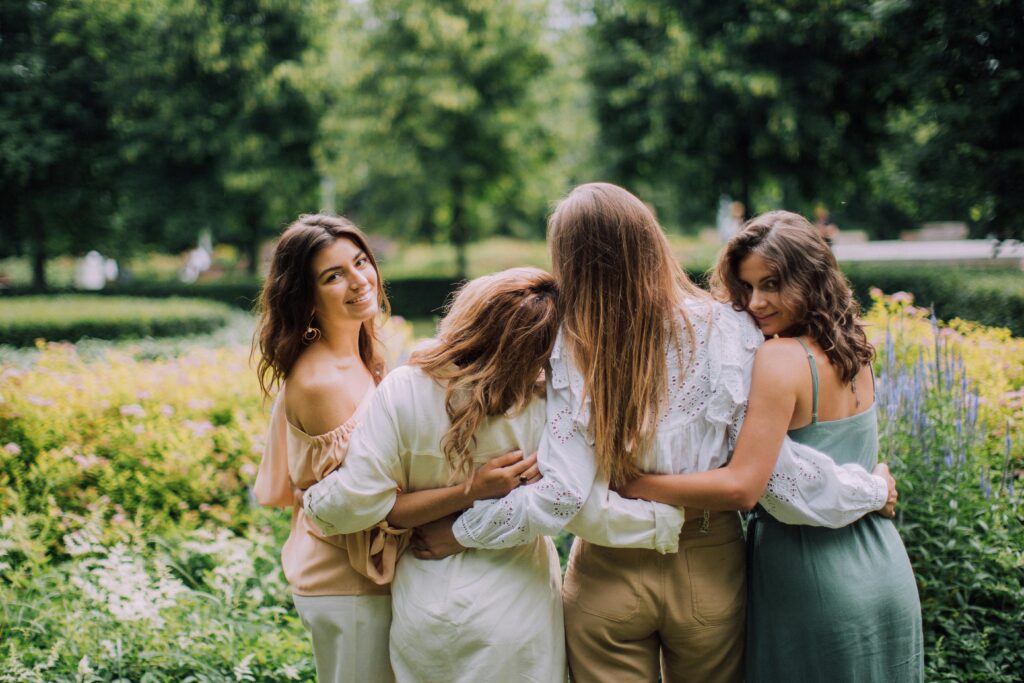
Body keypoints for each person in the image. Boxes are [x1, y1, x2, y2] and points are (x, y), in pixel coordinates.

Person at [410, 183, 896, 683]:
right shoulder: (734, 332)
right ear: (652, 241)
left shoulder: (570, 348)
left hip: (607, 573)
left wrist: (461, 532)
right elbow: (774, 474)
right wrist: (870, 488)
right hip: (708, 566)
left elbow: (560, 496)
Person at [617, 210, 924, 682]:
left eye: (774, 284)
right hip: (883, 566)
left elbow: (743, 487)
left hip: (813, 578)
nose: (757, 302)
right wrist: (875, 486)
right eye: (748, 287)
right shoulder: (855, 350)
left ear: (812, 279)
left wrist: (638, 484)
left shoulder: (780, 358)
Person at [303, 268, 566, 682]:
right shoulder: (548, 405)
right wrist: (477, 490)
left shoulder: (403, 388)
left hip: (427, 604)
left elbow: (359, 504)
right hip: (518, 606)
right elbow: (565, 501)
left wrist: (314, 498)